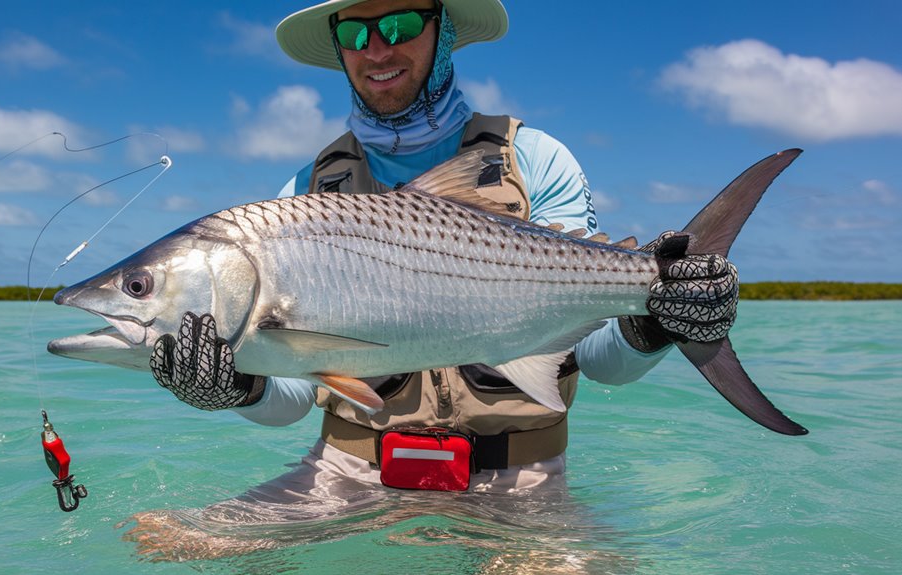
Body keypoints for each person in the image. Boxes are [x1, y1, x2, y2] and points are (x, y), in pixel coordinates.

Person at [128, 0, 738, 561]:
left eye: (398, 25)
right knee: (158, 541)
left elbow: (597, 361)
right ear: (339, 47)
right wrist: (238, 386)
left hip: (516, 483)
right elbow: (295, 395)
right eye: (354, 30)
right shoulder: (306, 192)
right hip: (347, 473)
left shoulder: (536, 160)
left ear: (444, 30)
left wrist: (653, 324)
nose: (376, 49)